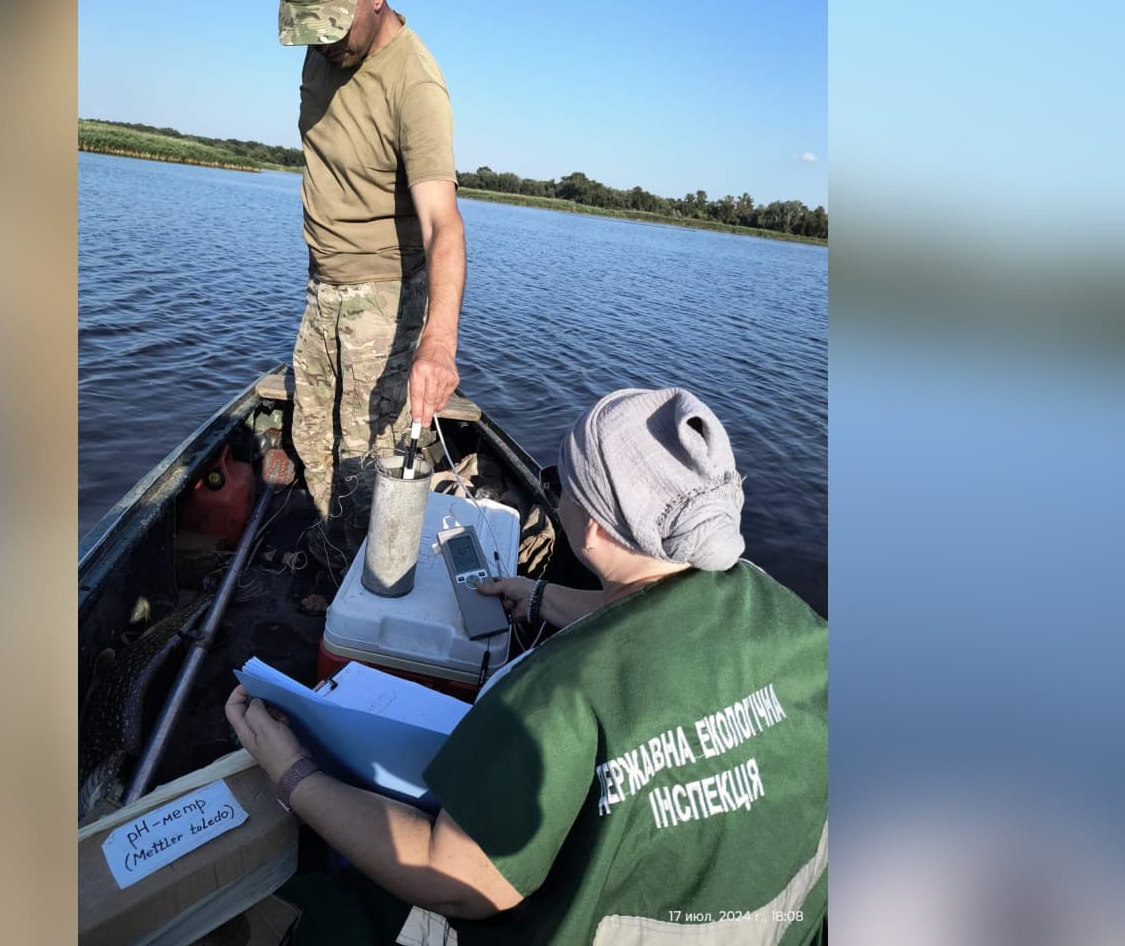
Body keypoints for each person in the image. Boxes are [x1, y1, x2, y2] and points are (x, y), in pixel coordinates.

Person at [227, 388, 829, 944]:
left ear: (593, 531)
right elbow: (662, 616)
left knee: (327, 904)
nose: (553, 494)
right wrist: (540, 597)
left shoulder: (555, 693)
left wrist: (293, 774)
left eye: (558, 483)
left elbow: (456, 882)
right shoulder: (789, 617)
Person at [273, 0, 466, 558]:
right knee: (312, 437)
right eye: (309, 25)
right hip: (320, 286)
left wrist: (438, 344)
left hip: (383, 298)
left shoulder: (416, 83)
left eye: (333, 23)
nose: (323, 42)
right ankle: (332, 562)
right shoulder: (324, 44)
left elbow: (443, 224)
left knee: (366, 463)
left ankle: (369, 584)